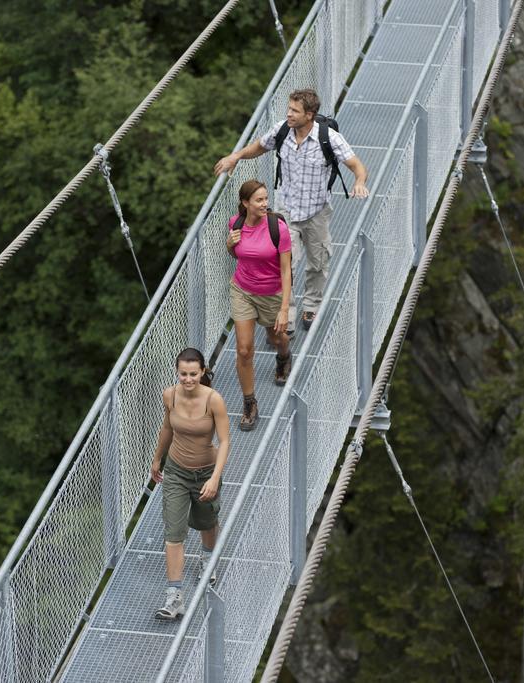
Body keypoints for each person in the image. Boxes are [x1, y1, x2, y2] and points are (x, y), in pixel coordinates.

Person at [214, 88, 369, 333]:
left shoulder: (329, 138)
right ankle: (288, 315)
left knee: (318, 262)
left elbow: (356, 165)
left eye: (294, 111)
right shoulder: (282, 130)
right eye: (288, 109)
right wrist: (237, 156)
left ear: (310, 114)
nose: (288, 114)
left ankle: (312, 304)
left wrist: (359, 182)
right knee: (285, 263)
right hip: (286, 213)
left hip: (316, 211)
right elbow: (259, 146)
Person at [150, 347, 230, 620]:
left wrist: (215, 478)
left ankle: (208, 559)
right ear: (177, 371)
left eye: (193, 374)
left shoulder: (213, 400)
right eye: (183, 373)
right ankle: (174, 598)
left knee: (207, 521)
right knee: (174, 532)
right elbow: (167, 428)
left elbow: (225, 441)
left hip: (206, 471)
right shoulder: (169, 395)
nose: (187, 379)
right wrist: (157, 458)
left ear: (202, 372)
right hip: (176, 472)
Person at [227, 179, 293, 431]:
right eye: (259, 200)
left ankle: (284, 356)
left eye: (266, 198)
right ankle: (249, 403)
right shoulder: (236, 223)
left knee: (278, 337)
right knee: (244, 350)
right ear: (245, 203)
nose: (265, 203)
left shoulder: (278, 228)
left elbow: (286, 271)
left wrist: (285, 309)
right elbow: (237, 254)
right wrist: (229, 244)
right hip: (242, 290)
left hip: (272, 294)